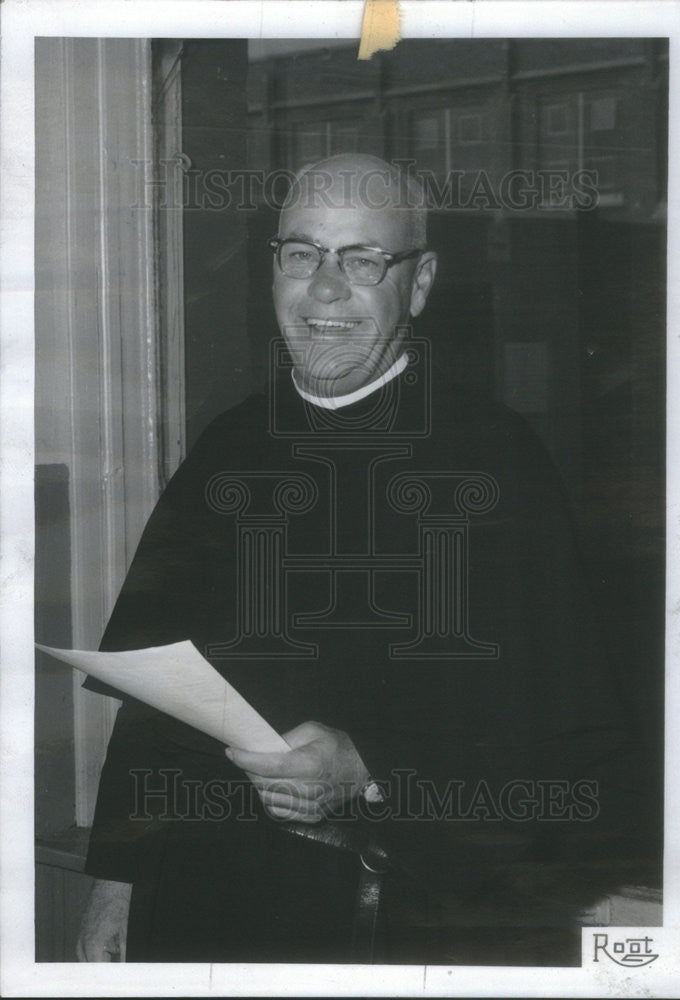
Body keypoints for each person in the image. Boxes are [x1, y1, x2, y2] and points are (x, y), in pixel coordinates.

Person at [77, 154, 628, 965]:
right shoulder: (229, 442)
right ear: (273, 270)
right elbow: (150, 690)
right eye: (302, 254)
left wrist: (371, 765)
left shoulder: (497, 460)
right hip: (199, 899)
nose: (325, 290)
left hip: (385, 915)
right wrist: (116, 885)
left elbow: (573, 744)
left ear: (420, 281)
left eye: (362, 259)